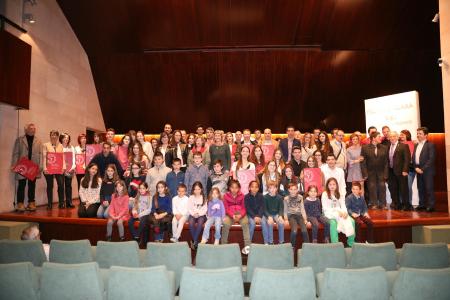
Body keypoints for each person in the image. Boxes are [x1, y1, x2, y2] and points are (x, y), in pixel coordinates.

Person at [11, 123, 42, 212]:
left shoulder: (38, 141)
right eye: (31, 128)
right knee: (22, 184)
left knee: (32, 185)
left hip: (33, 166)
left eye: (34, 128)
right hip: (23, 165)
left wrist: (40, 166)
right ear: (26, 130)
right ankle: (20, 203)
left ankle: (31, 202)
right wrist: (14, 164)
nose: (33, 130)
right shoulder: (19, 140)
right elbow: (16, 153)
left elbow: (41, 154)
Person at [322, 178, 355, 246]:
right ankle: (335, 245)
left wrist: (345, 213)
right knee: (333, 223)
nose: (332, 186)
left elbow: (343, 205)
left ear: (336, 185)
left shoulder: (339, 193)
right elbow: (325, 208)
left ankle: (351, 243)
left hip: (340, 212)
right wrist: (337, 212)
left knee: (352, 221)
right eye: (330, 184)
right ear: (327, 185)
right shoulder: (325, 194)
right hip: (328, 213)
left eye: (334, 184)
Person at [222, 180, 251, 254]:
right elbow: (226, 208)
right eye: (232, 187)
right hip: (230, 214)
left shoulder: (242, 195)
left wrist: (241, 215)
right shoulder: (225, 196)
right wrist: (232, 215)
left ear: (239, 188)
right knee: (225, 223)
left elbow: (244, 208)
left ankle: (247, 246)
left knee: (245, 223)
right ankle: (223, 245)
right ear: (229, 188)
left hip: (241, 213)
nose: (234, 189)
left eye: (236, 188)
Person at [361, 131, 389, 209]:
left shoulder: (384, 147)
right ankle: (374, 204)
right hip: (370, 173)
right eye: (379, 137)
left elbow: (386, 162)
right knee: (372, 188)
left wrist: (386, 173)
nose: (381, 138)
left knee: (382, 187)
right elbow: (363, 162)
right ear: (373, 138)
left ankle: (383, 204)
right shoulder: (365, 148)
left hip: (381, 172)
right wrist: (365, 174)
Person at [413, 127, 436, 212]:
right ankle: (422, 204)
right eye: (417, 133)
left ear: (425, 135)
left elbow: (431, 159)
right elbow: (414, 157)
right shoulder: (416, 145)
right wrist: (415, 167)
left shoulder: (430, 145)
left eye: (420, 133)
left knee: (429, 188)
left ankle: (431, 206)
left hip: (427, 171)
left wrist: (422, 169)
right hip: (418, 169)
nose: (418, 135)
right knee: (420, 188)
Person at [387, 131, 411, 210]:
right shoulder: (388, 146)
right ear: (389, 138)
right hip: (391, 171)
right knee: (393, 189)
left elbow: (407, 159)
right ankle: (397, 204)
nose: (392, 138)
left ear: (397, 137)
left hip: (401, 172)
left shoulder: (404, 146)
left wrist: (405, 170)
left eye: (394, 136)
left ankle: (406, 205)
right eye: (391, 136)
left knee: (403, 189)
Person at [42, 130, 65, 209]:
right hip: (49, 168)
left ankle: (61, 203)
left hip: (59, 168)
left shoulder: (61, 145)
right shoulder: (45, 145)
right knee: (50, 186)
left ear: (58, 136)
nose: (54, 136)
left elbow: (63, 157)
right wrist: (45, 168)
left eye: (55, 135)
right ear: (50, 136)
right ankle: (49, 204)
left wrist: (63, 167)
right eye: (52, 135)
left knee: (61, 185)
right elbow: (44, 157)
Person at [284, 183, 309, 248]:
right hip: (291, 216)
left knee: (304, 231)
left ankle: (308, 246)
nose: (293, 191)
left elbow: (302, 208)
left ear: (297, 190)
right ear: (289, 190)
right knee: (294, 231)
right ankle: (292, 247)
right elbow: (285, 210)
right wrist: (286, 219)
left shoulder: (300, 197)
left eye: (295, 189)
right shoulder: (286, 198)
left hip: (299, 216)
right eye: (291, 189)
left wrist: (305, 219)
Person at [187, 182, 208, 250]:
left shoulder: (204, 197)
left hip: (201, 215)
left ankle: (194, 241)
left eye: (198, 189)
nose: (197, 191)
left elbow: (205, 209)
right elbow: (189, 208)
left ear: (201, 189)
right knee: (190, 223)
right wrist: (193, 214)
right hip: (193, 214)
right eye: (195, 189)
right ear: (193, 190)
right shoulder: (191, 197)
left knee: (200, 222)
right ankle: (196, 242)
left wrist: (199, 214)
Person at [60, 133, 76, 208]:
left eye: (67, 138)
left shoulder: (71, 147)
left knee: (68, 186)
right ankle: (61, 203)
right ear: (61, 138)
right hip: (60, 170)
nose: (66, 139)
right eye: (64, 137)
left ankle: (69, 202)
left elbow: (73, 158)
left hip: (70, 170)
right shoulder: (58, 147)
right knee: (61, 186)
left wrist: (72, 167)